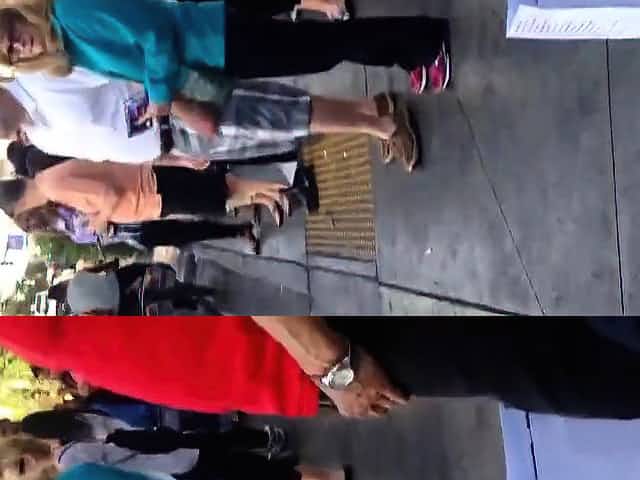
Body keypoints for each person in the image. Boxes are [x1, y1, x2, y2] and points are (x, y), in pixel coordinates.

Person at [2, 318, 640, 419]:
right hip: (296, 363)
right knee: (528, 359)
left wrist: (335, 367)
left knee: (531, 363)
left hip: (314, 350)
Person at [0, 1, 450, 109]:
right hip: (214, 52)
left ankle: (423, 42)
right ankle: (410, 50)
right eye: (11, 52)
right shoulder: (68, 47)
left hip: (214, 37)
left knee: (324, 47)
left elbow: (154, 31)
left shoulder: (69, 12)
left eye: (12, 32)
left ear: (19, 13)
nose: (19, 45)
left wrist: (160, 95)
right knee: (321, 51)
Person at [4, 70, 418, 172]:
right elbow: (107, 152)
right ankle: (370, 108)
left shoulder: (40, 78)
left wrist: (178, 104)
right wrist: (174, 160)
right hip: (175, 141)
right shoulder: (41, 137)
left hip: (179, 104)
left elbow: (117, 63)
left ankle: (382, 124)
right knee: (279, 122)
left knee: (281, 114)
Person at [0, 159, 291, 236]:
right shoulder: (48, 179)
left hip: (151, 191)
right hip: (150, 189)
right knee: (219, 197)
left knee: (221, 191)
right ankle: (269, 197)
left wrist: (101, 220)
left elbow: (108, 194)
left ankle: (281, 190)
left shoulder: (53, 187)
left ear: (20, 205)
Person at [13, 202, 261, 254]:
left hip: (136, 215)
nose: (34, 226)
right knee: (189, 234)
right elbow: (99, 239)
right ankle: (238, 231)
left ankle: (243, 205)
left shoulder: (63, 206)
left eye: (30, 221)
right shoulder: (67, 233)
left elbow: (96, 205)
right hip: (136, 235)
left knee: (190, 212)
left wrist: (102, 221)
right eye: (30, 228)